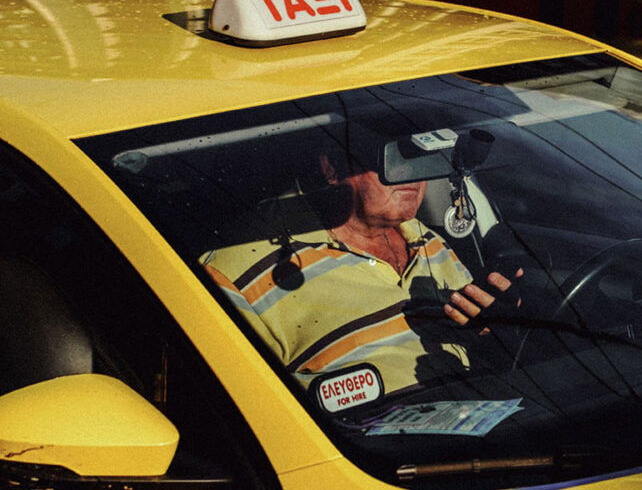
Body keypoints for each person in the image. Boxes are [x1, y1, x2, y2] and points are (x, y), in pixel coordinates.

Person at [203, 143, 519, 395]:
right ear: (331, 166)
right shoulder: (236, 272)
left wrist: (492, 328)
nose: (414, 173)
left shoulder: (421, 234)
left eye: (425, 154)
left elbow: (472, 340)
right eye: (395, 157)